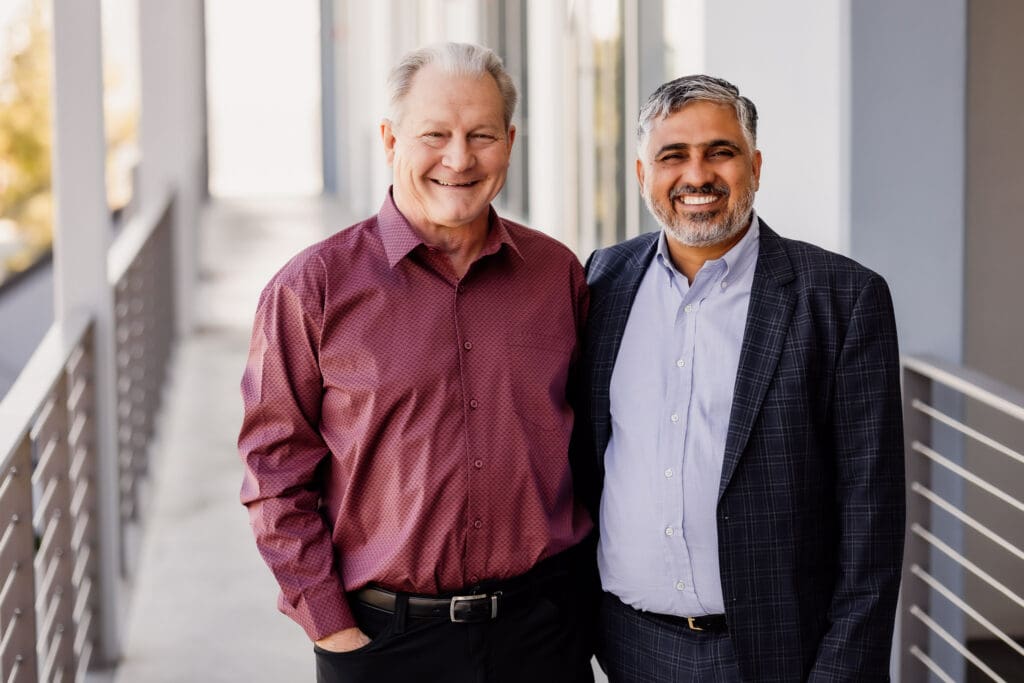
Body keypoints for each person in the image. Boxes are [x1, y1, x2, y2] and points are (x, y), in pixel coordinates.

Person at [238, 42, 595, 683]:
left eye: (481, 135)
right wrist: (333, 629)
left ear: (509, 142)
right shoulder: (311, 287)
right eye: (435, 134)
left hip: (541, 636)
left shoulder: (556, 276)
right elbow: (274, 472)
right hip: (384, 645)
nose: (458, 159)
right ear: (390, 138)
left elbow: (593, 446)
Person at [579, 74, 905, 681]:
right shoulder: (602, 280)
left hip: (783, 654)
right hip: (627, 647)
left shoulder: (842, 296)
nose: (697, 175)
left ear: (754, 166)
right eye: (672, 155)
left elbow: (872, 517)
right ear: (642, 173)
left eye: (720, 152)